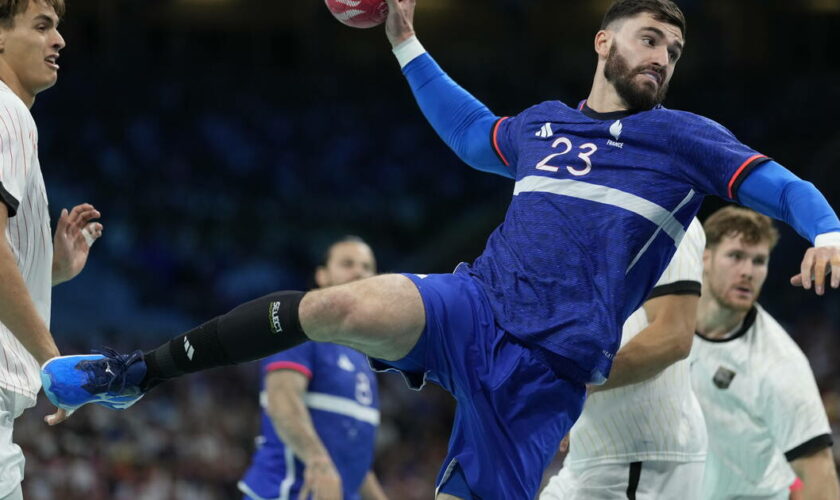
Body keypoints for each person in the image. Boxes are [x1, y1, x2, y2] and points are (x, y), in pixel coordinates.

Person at [41, 1, 840, 499]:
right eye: (650, 38)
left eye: (674, 50)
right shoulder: (542, 125)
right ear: (605, 41)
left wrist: (828, 225)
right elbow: (468, 133)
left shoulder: (684, 140)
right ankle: (134, 373)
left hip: (547, 370)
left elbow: (778, 185)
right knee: (338, 305)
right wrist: (405, 43)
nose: (662, 57)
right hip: (475, 305)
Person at [0, 1, 103, 498]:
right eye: (42, 27)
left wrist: (48, 271)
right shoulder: (5, 109)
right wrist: (52, 361)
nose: (59, 41)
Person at [540, 219, 706, 499]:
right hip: (596, 453)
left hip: (637, 458)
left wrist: (576, 388)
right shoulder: (583, 218)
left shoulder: (668, 213)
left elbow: (673, 336)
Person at [690, 207, 839, 500]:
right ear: (705, 257)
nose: (747, 271)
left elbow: (818, 472)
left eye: (759, 261)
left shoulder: (780, 361)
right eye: (735, 256)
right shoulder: (662, 322)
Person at [238, 236, 387, 500]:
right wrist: (319, 462)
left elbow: (356, 461)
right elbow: (282, 400)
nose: (359, 272)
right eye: (347, 263)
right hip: (287, 491)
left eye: (367, 266)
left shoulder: (364, 355)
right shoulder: (299, 330)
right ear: (322, 275)